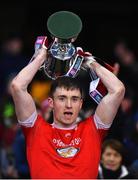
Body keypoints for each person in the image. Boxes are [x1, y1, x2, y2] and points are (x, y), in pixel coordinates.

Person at [10, 39, 125, 178]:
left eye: (75, 99)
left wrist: (91, 63)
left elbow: (117, 90)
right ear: (51, 103)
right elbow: (17, 86)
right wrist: (41, 57)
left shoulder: (93, 129)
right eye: (62, 98)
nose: (69, 105)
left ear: (81, 104)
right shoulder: (35, 129)